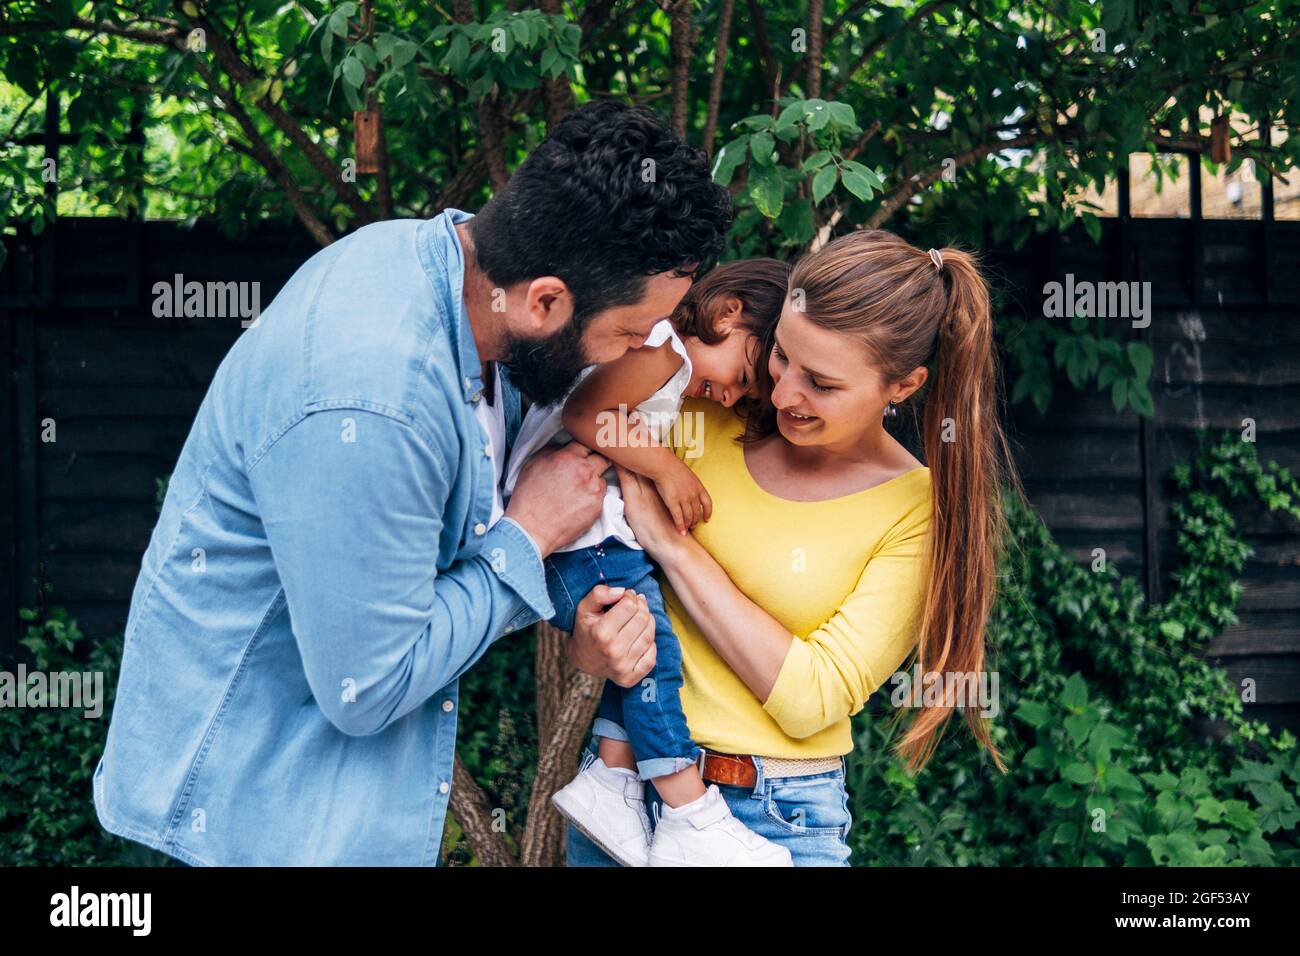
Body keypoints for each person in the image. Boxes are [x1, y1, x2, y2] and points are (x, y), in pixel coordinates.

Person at [92, 101, 730, 866]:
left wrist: (568, 615)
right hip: (252, 824)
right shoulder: (374, 396)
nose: (635, 355)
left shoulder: (455, 271)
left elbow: (425, 576)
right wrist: (529, 539)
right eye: (629, 335)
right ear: (547, 302)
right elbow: (370, 685)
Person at [568, 230, 1017, 866]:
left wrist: (673, 547)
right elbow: (597, 552)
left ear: (904, 385)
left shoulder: (915, 512)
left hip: (772, 816)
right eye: (779, 357)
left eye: (821, 384)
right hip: (623, 788)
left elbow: (813, 698)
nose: (780, 396)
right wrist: (590, 643)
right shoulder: (705, 408)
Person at [506, 260, 793, 866]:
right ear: (725, 312)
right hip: (578, 537)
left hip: (582, 542)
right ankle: (689, 812)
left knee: (635, 650)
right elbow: (586, 414)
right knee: (652, 654)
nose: (732, 395)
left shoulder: (672, 364)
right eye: (742, 373)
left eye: (744, 394)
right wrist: (667, 467)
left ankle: (612, 781)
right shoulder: (663, 349)